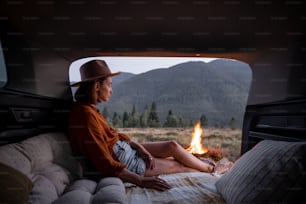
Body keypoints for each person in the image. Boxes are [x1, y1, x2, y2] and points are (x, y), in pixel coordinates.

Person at [68, 59, 215, 191]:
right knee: (178, 166)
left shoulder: (90, 109)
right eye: (110, 85)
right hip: (123, 159)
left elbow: (113, 137)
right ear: (97, 86)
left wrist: (138, 146)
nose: (111, 90)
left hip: (125, 148)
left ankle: (207, 167)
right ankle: (210, 170)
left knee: (172, 145)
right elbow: (103, 161)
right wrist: (141, 180)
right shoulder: (85, 116)